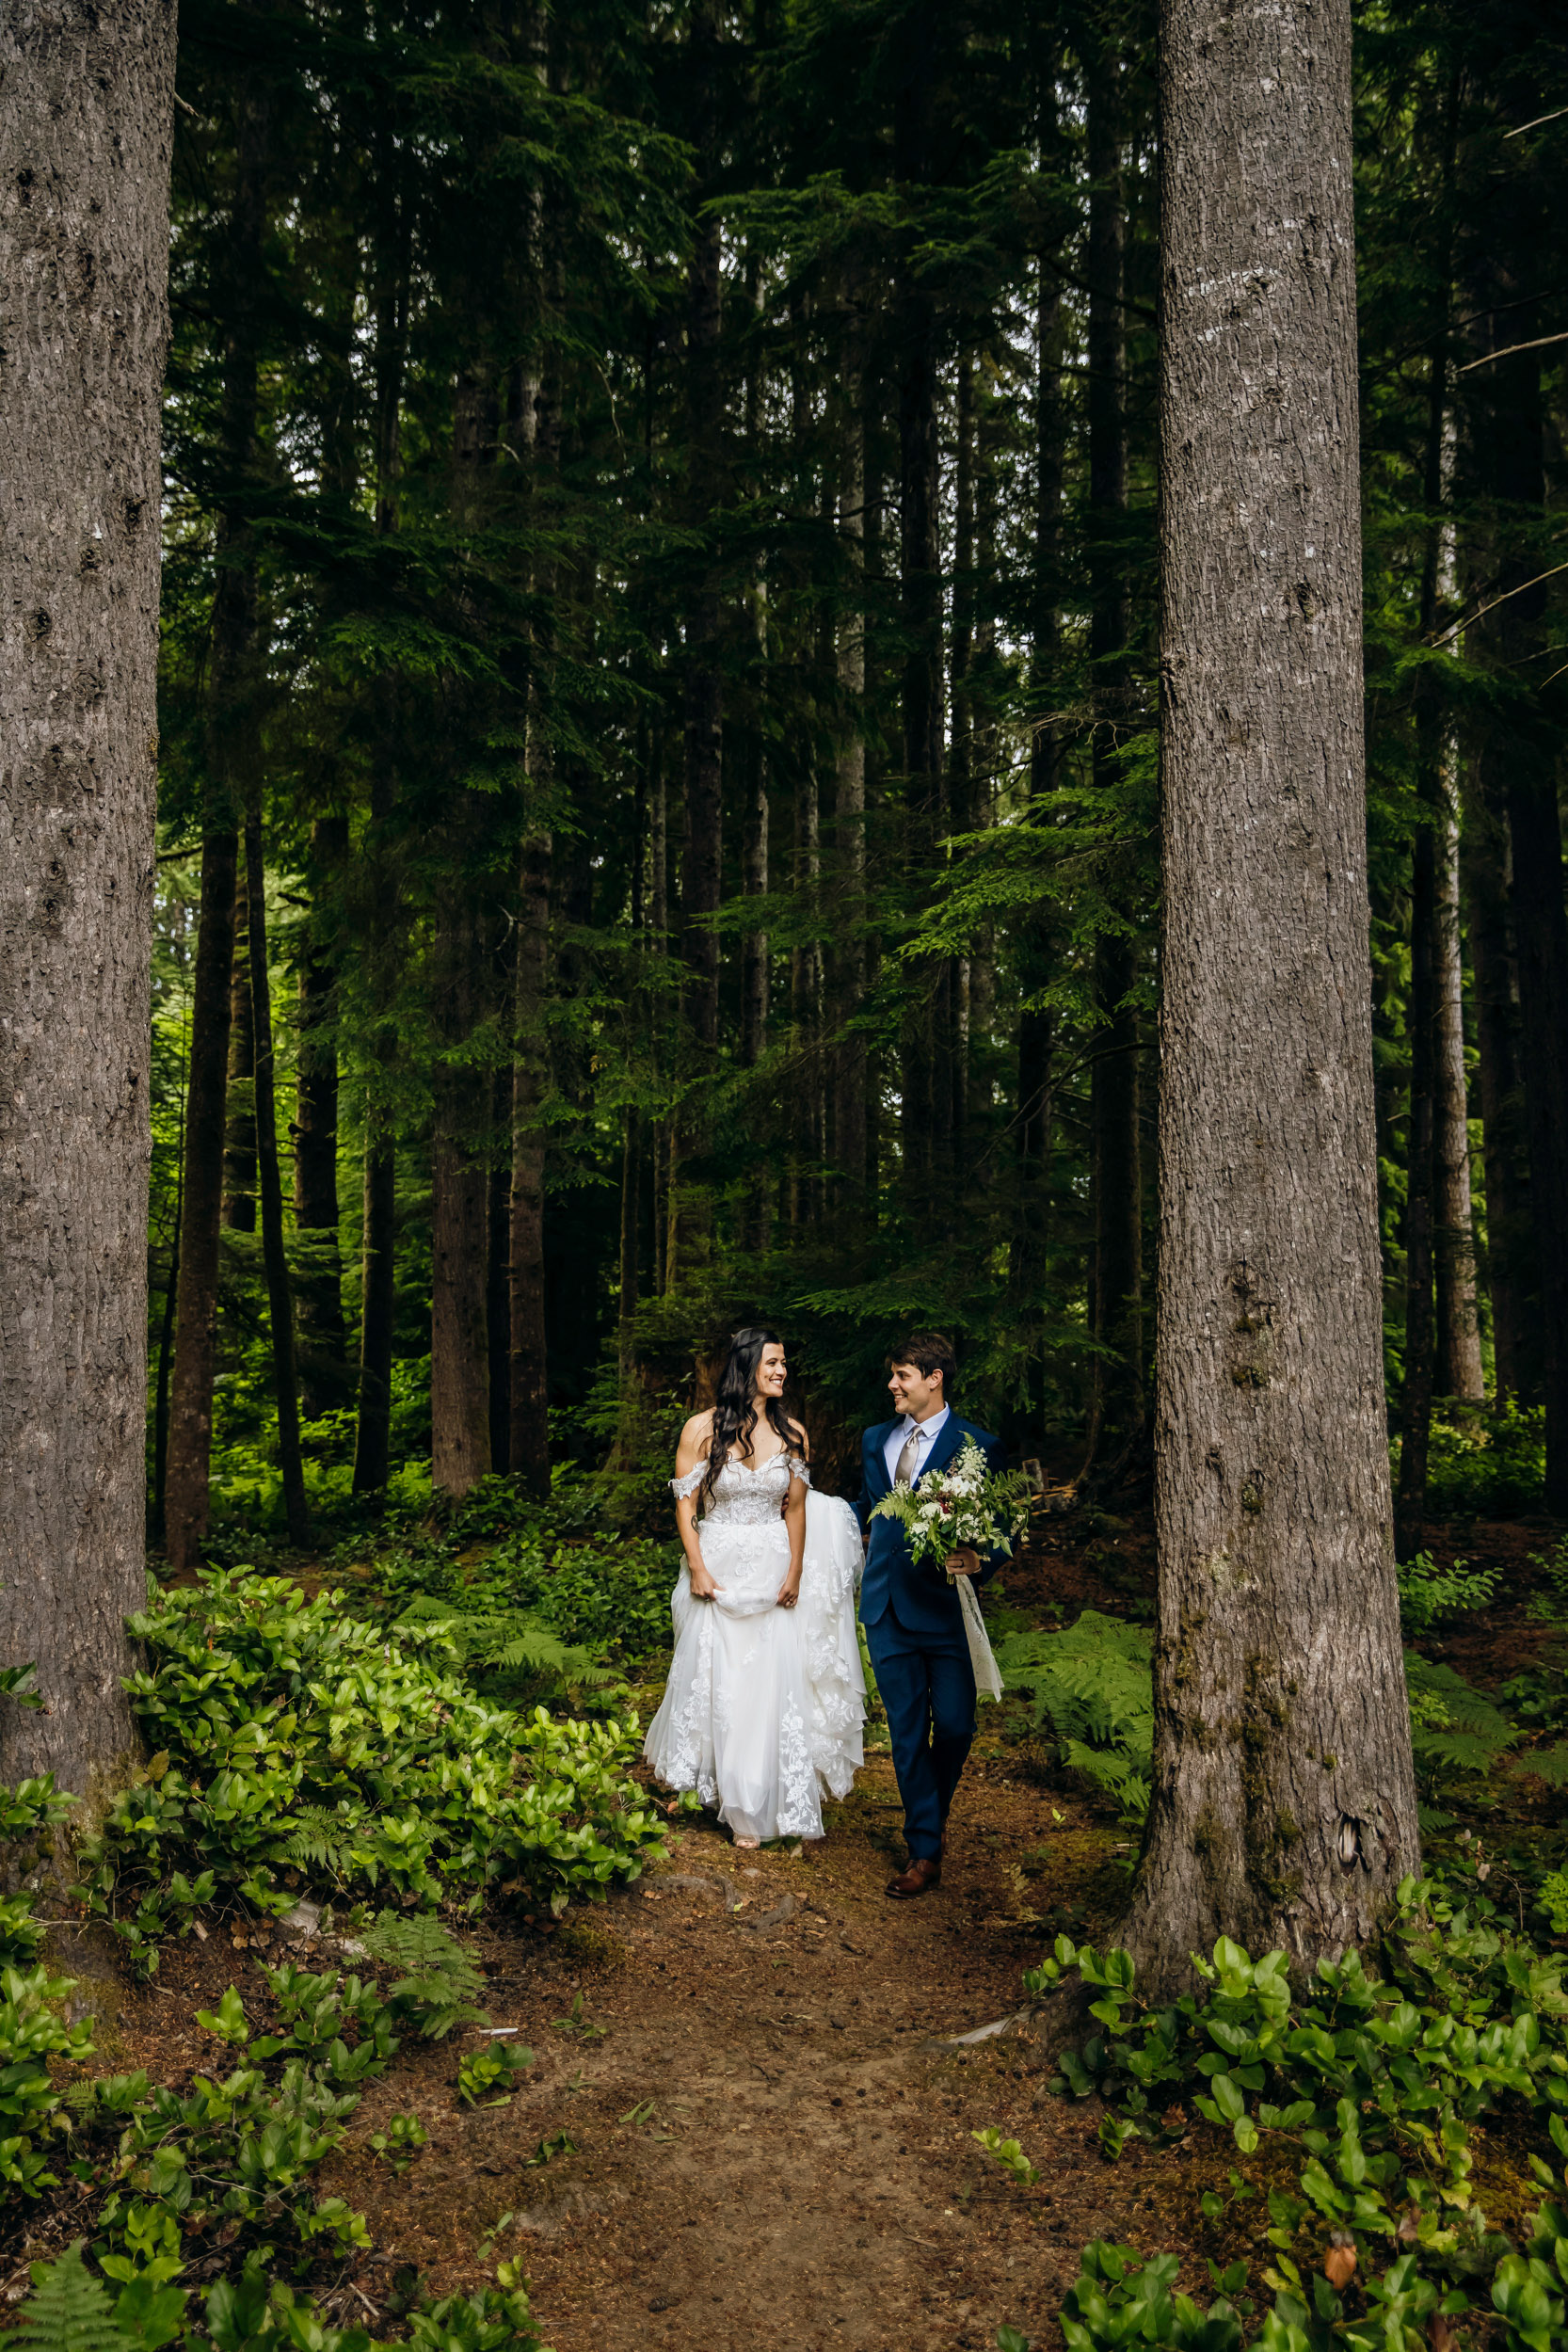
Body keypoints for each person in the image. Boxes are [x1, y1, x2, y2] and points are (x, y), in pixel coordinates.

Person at [644, 1326, 866, 1848]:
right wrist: (696, 1565)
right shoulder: (700, 1429)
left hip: (772, 1566)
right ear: (746, 1366)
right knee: (719, 1676)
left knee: (769, 1681)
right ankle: (720, 1786)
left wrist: (794, 1571)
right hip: (718, 1562)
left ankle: (758, 1798)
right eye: (772, 1363)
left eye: (784, 1363)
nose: (782, 1371)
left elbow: (794, 1508)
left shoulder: (795, 1435)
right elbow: (685, 1503)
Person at [856, 1333, 1007, 1899]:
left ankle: (930, 1815)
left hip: (945, 1610)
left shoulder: (979, 1444)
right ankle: (924, 1848)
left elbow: (1007, 1523)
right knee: (906, 1731)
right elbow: (869, 1509)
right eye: (893, 1376)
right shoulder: (875, 1440)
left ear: (934, 1378)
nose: (892, 1385)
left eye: (902, 1376)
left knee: (958, 1725)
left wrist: (982, 1558)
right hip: (886, 1606)